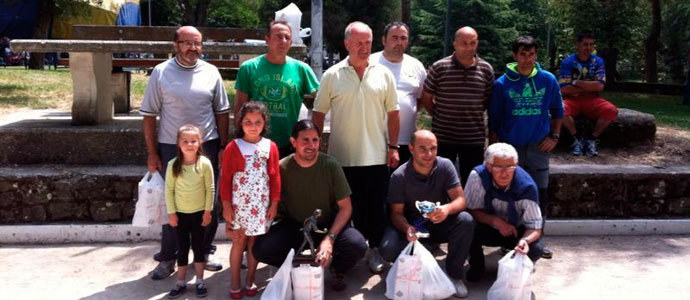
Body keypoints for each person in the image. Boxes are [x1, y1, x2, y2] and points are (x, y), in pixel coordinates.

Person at [140, 25, 229, 279]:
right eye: (187, 43)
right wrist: (152, 152)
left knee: (207, 202)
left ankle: (205, 251)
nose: (193, 48)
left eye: (197, 43)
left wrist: (222, 146)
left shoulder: (211, 72)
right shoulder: (161, 72)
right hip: (172, 147)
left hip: (207, 146)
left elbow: (222, 112)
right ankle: (168, 257)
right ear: (175, 45)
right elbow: (149, 115)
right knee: (173, 203)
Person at [312, 21, 399, 274]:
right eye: (359, 43)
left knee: (375, 209)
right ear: (347, 43)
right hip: (342, 159)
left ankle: (374, 252)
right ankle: (343, 255)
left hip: (377, 157)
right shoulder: (332, 75)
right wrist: (317, 148)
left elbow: (393, 114)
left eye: (368, 43)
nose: (364, 47)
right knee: (345, 211)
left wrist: (393, 146)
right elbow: (318, 113)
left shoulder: (383, 74)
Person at [253, 120, 367, 291]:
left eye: (315, 140)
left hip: (328, 225)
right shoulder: (282, 167)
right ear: (293, 142)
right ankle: (296, 270)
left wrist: (330, 239)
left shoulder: (330, 165)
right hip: (296, 226)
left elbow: (346, 207)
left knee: (356, 244)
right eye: (305, 140)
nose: (311, 145)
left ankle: (337, 269)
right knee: (262, 249)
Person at [488, 36, 562, 259]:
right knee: (510, 194)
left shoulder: (548, 80)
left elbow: (558, 110)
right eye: (522, 54)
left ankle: (538, 239)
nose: (527, 59)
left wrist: (555, 136)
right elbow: (494, 119)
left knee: (539, 193)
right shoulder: (502, 84)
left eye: (531, 55)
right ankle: (509, 240)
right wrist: (495, 148)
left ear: (536, 55)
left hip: (538, 147)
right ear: (515, 56)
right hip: (511, 148)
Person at [379, 130, 474, 298]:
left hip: (438, 221)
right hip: (414, 226)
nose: (429, 154)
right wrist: (407, 228)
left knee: (465, 220)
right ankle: (416, 265)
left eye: (433, 148)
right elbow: (396, 213)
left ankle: (454, 274)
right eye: (423, 149)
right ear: (411, 148)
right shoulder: (399, 176)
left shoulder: (445, 166)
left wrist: (446, 209)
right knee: (388, 248)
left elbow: (461, 200)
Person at [219, 101, 280, 299]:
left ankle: (250, 279)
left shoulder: (270, 146)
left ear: (264, 123)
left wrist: (274, 203)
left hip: (260, 207)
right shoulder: (233, 147)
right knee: (238, 241)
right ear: (240, 123)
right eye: (248, 122)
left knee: (254, 243)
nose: (253, 126)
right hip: (239, 207)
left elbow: (275, 177)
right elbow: (226, 178)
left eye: (257, 122)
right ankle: (235, 281)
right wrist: (226, 205)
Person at [420, 26, 494, 186]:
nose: (468, 47)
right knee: (440, 180)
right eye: (464, 43)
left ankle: (469, 211)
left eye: (472, 43)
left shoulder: (486, 69)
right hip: (444, 136)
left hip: (473, 137)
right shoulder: (440, 67)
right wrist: (437, 114)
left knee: (473, 182)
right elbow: (426, 96)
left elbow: (487, 99)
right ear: (455, 44)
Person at [234, 21, 320, 158]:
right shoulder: (249, 68)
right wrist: (239, 139)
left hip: (288, 143)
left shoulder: (301, 69)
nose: (283, 41)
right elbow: (240, 106)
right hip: (255, 143)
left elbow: (321, 98)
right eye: (278, 37)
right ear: (267, 39)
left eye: (287, 38)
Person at [464, 143, 545, 282]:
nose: (504, 173)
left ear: (516, 165)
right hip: (487, 226)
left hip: (515, 231)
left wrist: (524, 241)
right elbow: (471, 210)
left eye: (510, 167)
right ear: (488, 167)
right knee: (465, 223)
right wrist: (495, 221)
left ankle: (518, 265)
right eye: (498, 167)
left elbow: (535, 227)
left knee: (536, 248)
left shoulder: (527, 187)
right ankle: (477, 265)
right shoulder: (477, 176)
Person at [164, 125, 215, 299]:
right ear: (178, 143)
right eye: (185, 141)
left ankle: (200, 280)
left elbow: (210, 189)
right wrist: (171, 213)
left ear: (200, 142)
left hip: (199, 214)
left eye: (193, 141)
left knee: (199, 247)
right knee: (183, 248)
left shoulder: (205, 164)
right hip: (180, 215)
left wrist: (208, 211)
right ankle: (180, 282)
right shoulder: (173, 165)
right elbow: (169, 190)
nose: (189, 144)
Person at [370, 22, 427, 165]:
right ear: (384, 40)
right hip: (374, 140)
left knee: (401, 185)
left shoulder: (416, 66)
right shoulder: (369, 63)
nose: (399, 42)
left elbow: (420, 99)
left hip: (406, 141)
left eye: (403, 38)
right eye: (394, 38)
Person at [559, 30, 618, 156]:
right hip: (572, 99)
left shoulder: (598, 61)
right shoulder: (568, 62)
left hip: (592, 99)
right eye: (585, 44)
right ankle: (576, 139)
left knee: (611, 110)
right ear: (577, 44)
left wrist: (576, 82)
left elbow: (600, 86)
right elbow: (564, 89)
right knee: (559, 109)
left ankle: (592, 139)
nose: (589, 48)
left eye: (591, 44)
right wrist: (590, 86)